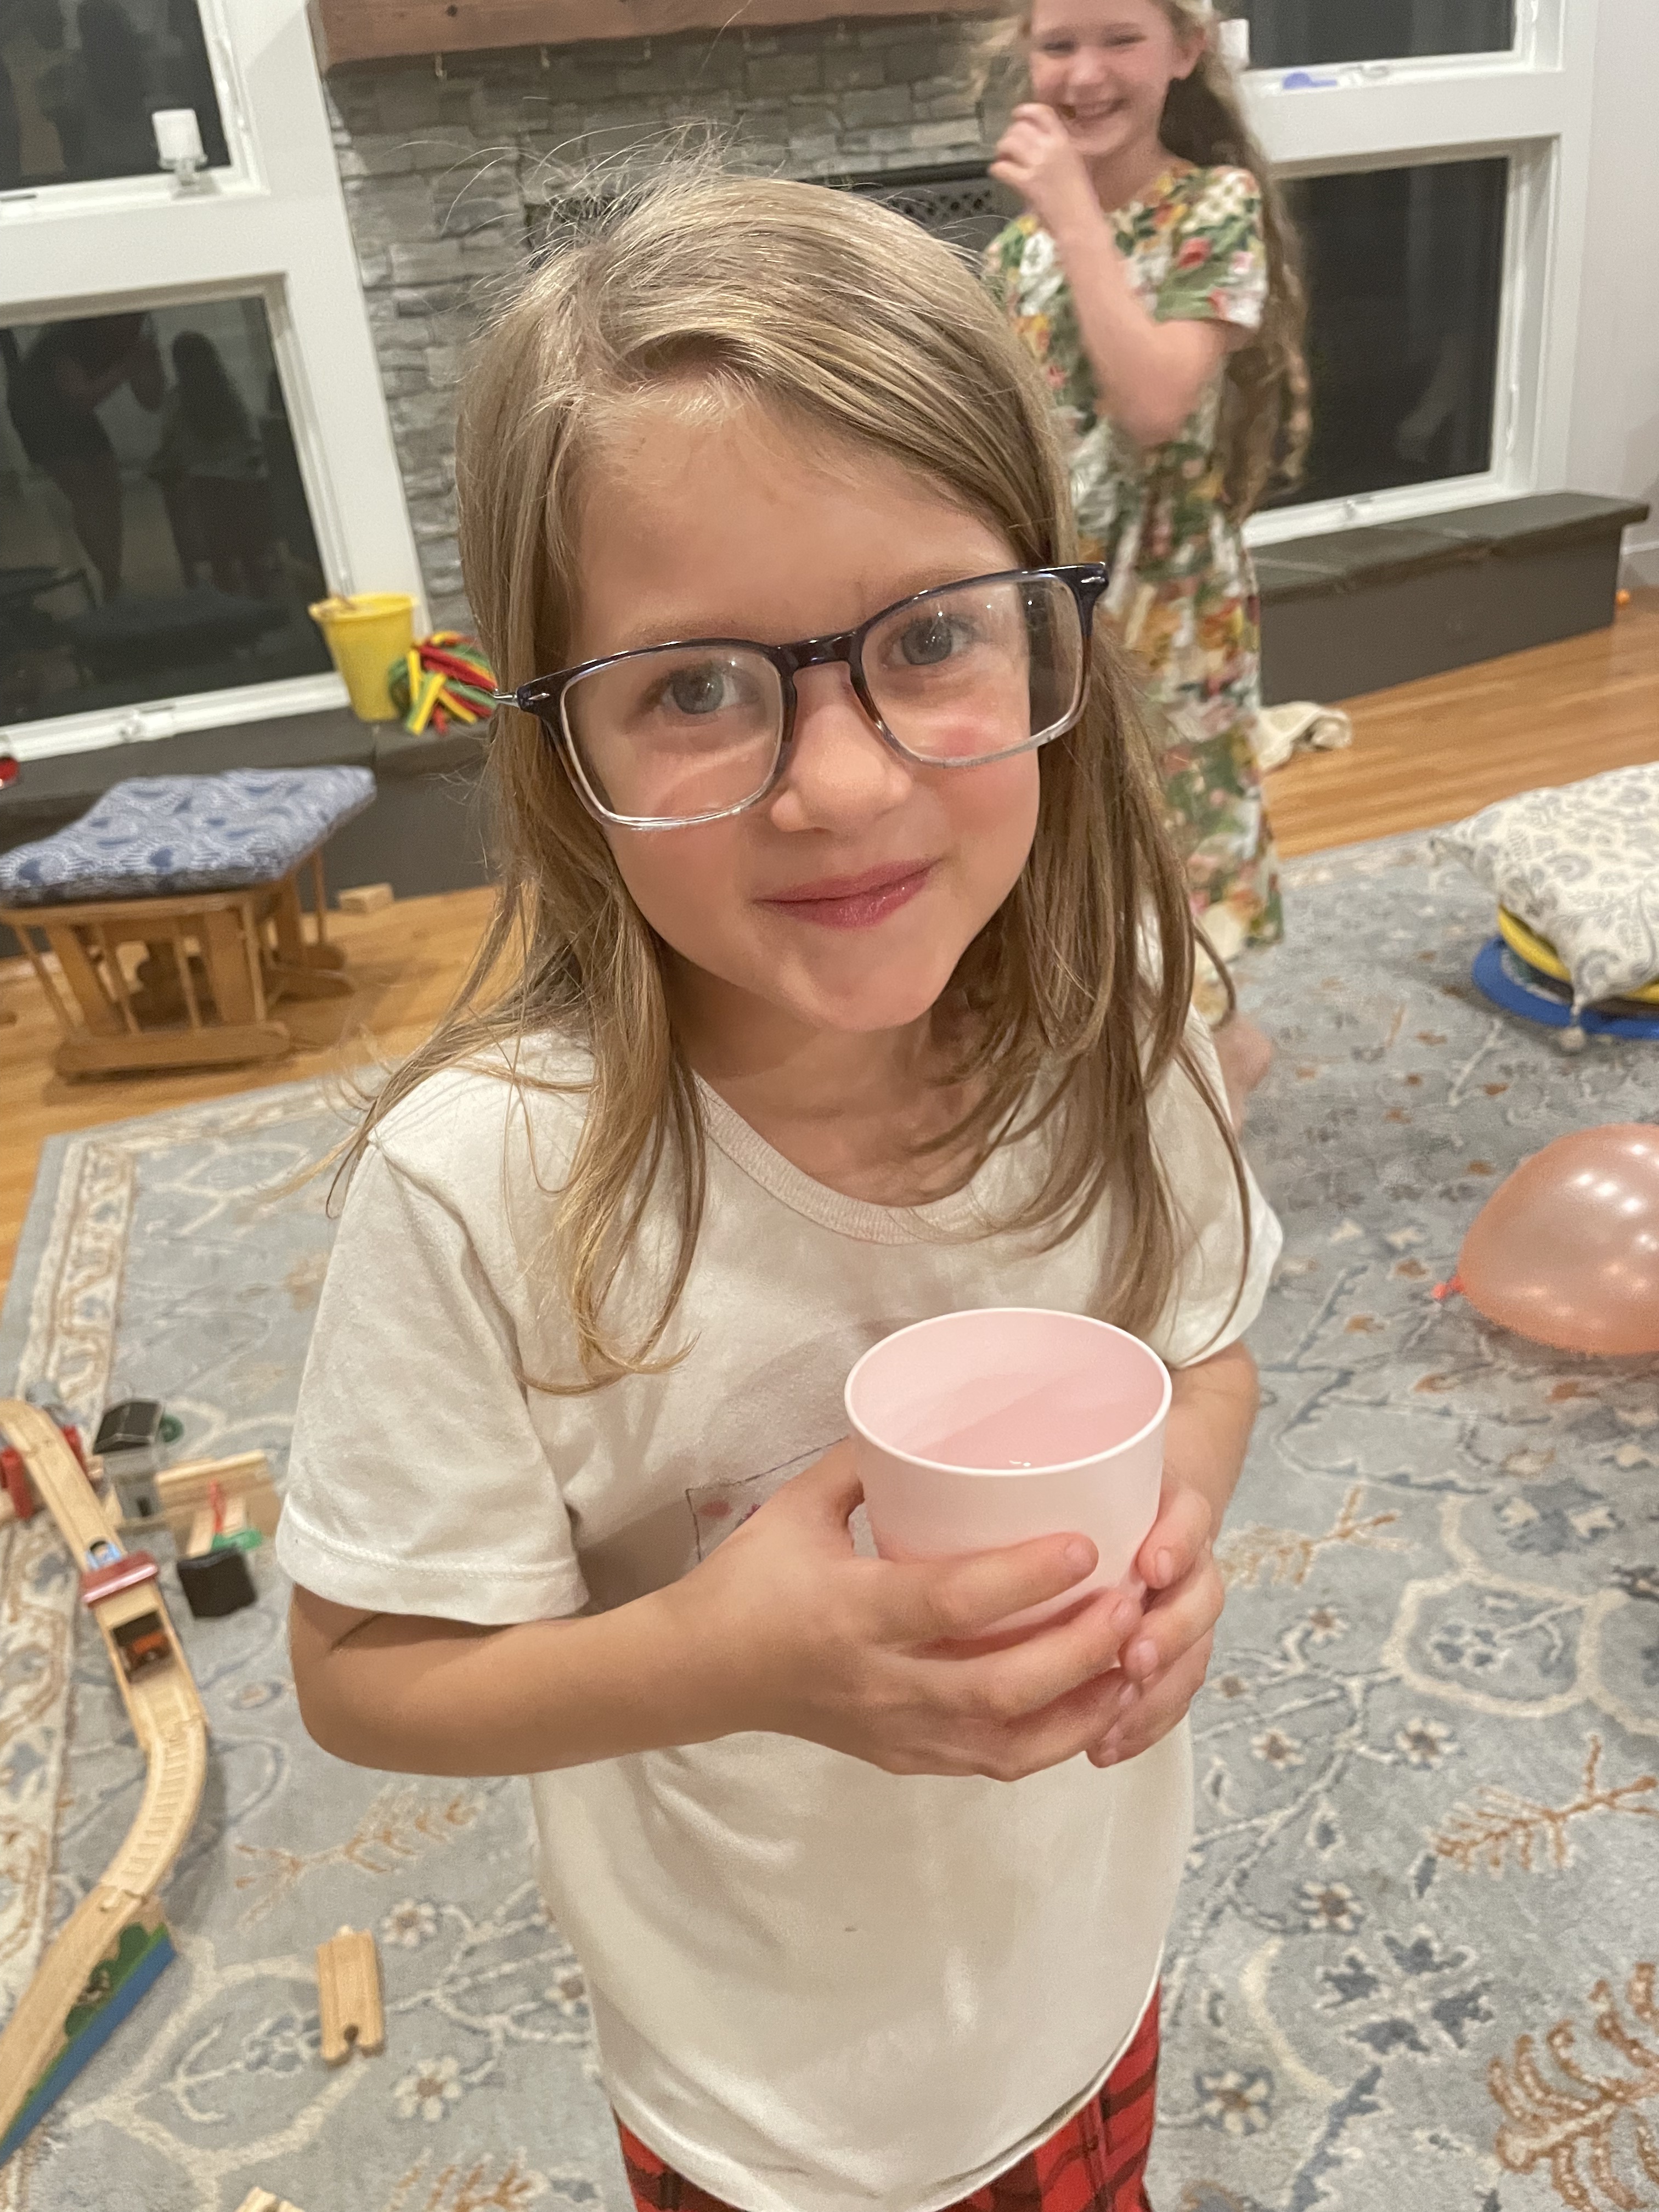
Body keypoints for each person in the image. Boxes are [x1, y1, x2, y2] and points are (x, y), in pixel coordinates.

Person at [279, 167, 1282, 2212]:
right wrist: (724, 1659)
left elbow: (1207, 1350)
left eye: (930, 638)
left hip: (1086, 1981)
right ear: (556, 746)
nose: (838, 783)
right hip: (766, 2108)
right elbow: (358, 1671)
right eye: (693, 685)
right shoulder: (480, 1190)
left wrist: (1174, 1525)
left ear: (1043, 628)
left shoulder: (1131, 1027)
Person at [983, 0, 1309, 1121]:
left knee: (1184, 831)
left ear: (1185, 49)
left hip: (1172, 603)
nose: (1084, 75)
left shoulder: (1214, 207)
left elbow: (1155, 402)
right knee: (1075, 826)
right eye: (1057, 44)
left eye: (1118, 38)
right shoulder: (1015, 253)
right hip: (1051, 607)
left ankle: (1222, 1042)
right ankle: (1119, 1029)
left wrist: (1075, 214)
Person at [1, 310, 162, 599]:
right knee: (86, 492)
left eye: (139, 319)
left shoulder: (128, 339)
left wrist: (148, 365)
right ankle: (111, 579)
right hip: (35, 408)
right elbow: (80, 399)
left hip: (71, 408)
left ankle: (113, 577)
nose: (135, 325)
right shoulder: (69, 338)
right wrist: (126, 367)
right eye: (129, 319)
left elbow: (151, 401)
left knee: (110, 486)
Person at [149, 329, 276, 594]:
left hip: (202, 486)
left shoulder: (176, 401)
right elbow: (248, 438)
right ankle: (259, 584)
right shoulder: (228, 395)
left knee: (218, 544)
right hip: (242, 482)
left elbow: (169, 445)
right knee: (248, 544)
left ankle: (225, 588)